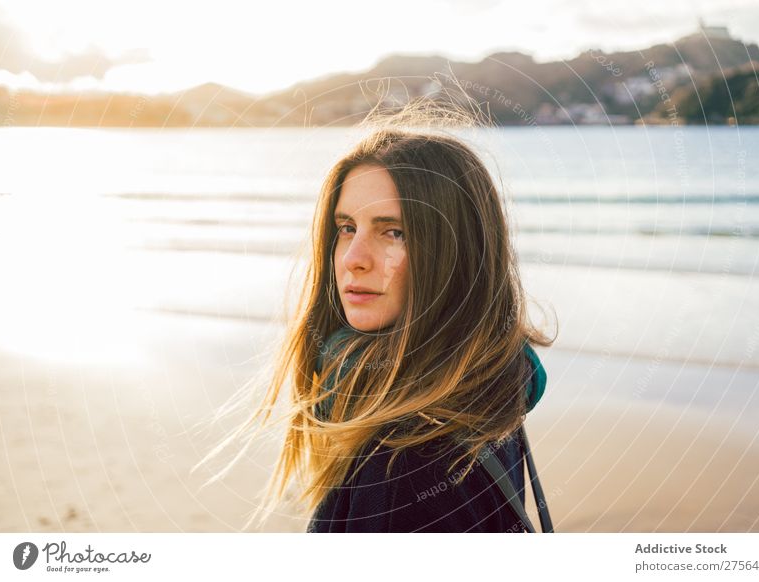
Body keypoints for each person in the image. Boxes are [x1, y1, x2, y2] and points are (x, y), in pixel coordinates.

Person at [198, 110, 556, 532]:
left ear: (458, 254)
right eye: (347, 228)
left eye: (394, 232)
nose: (353, 259)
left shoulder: (405, 457)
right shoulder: (485, 389)